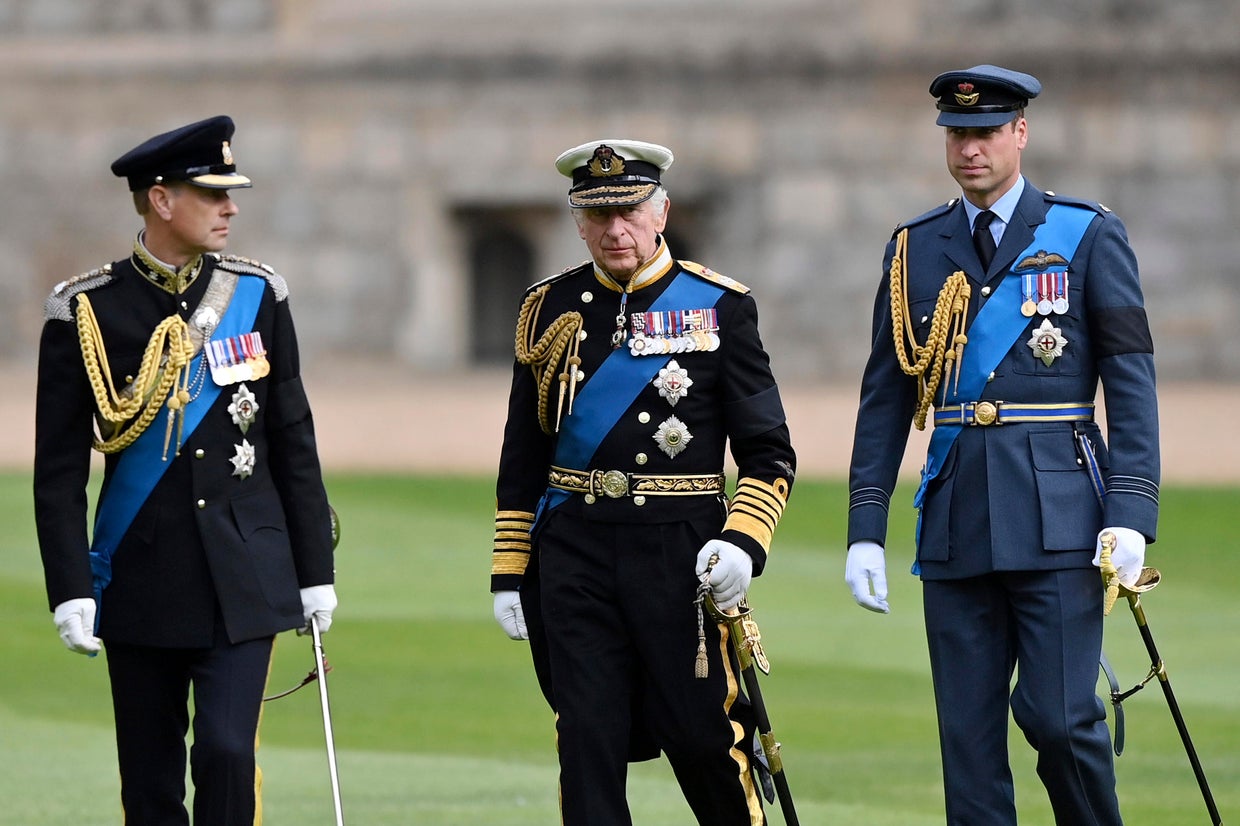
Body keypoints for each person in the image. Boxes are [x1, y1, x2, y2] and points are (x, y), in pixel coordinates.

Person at [844, 65, 1159, 824]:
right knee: (970, 746)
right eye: (957, 135)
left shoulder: (1085, 233)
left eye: (985, 133)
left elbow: (1130, 378)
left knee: (1058, 719)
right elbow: (886, 395)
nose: (970, 149)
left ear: (1020, 132)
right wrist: (865, 526)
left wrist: (1132, 510)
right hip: (955, 517)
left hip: (1060, 518)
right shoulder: (914, 246)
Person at [34, 115, 338, 825]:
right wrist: (69, 587)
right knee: (150, 780)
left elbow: (293, 437)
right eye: (212, 194)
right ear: (162, 200)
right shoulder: (84, 309)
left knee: (229, 754)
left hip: (246, 571)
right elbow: (57, 469)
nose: (231, 207)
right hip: (141, 571)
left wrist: (314, 569)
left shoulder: (259, 295)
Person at [490, 139, 796, 825]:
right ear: (577, 220)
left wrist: (743, 544)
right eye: (597, 215)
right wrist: (511, 570)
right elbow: (524, 451)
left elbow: (769, 452)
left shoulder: (719, 306)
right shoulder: (547, 307)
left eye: (629, 211)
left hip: (679, 553)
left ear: (661, 211)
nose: (614, 229)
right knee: (587, 744)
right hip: (576, 554)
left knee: (704, 741)